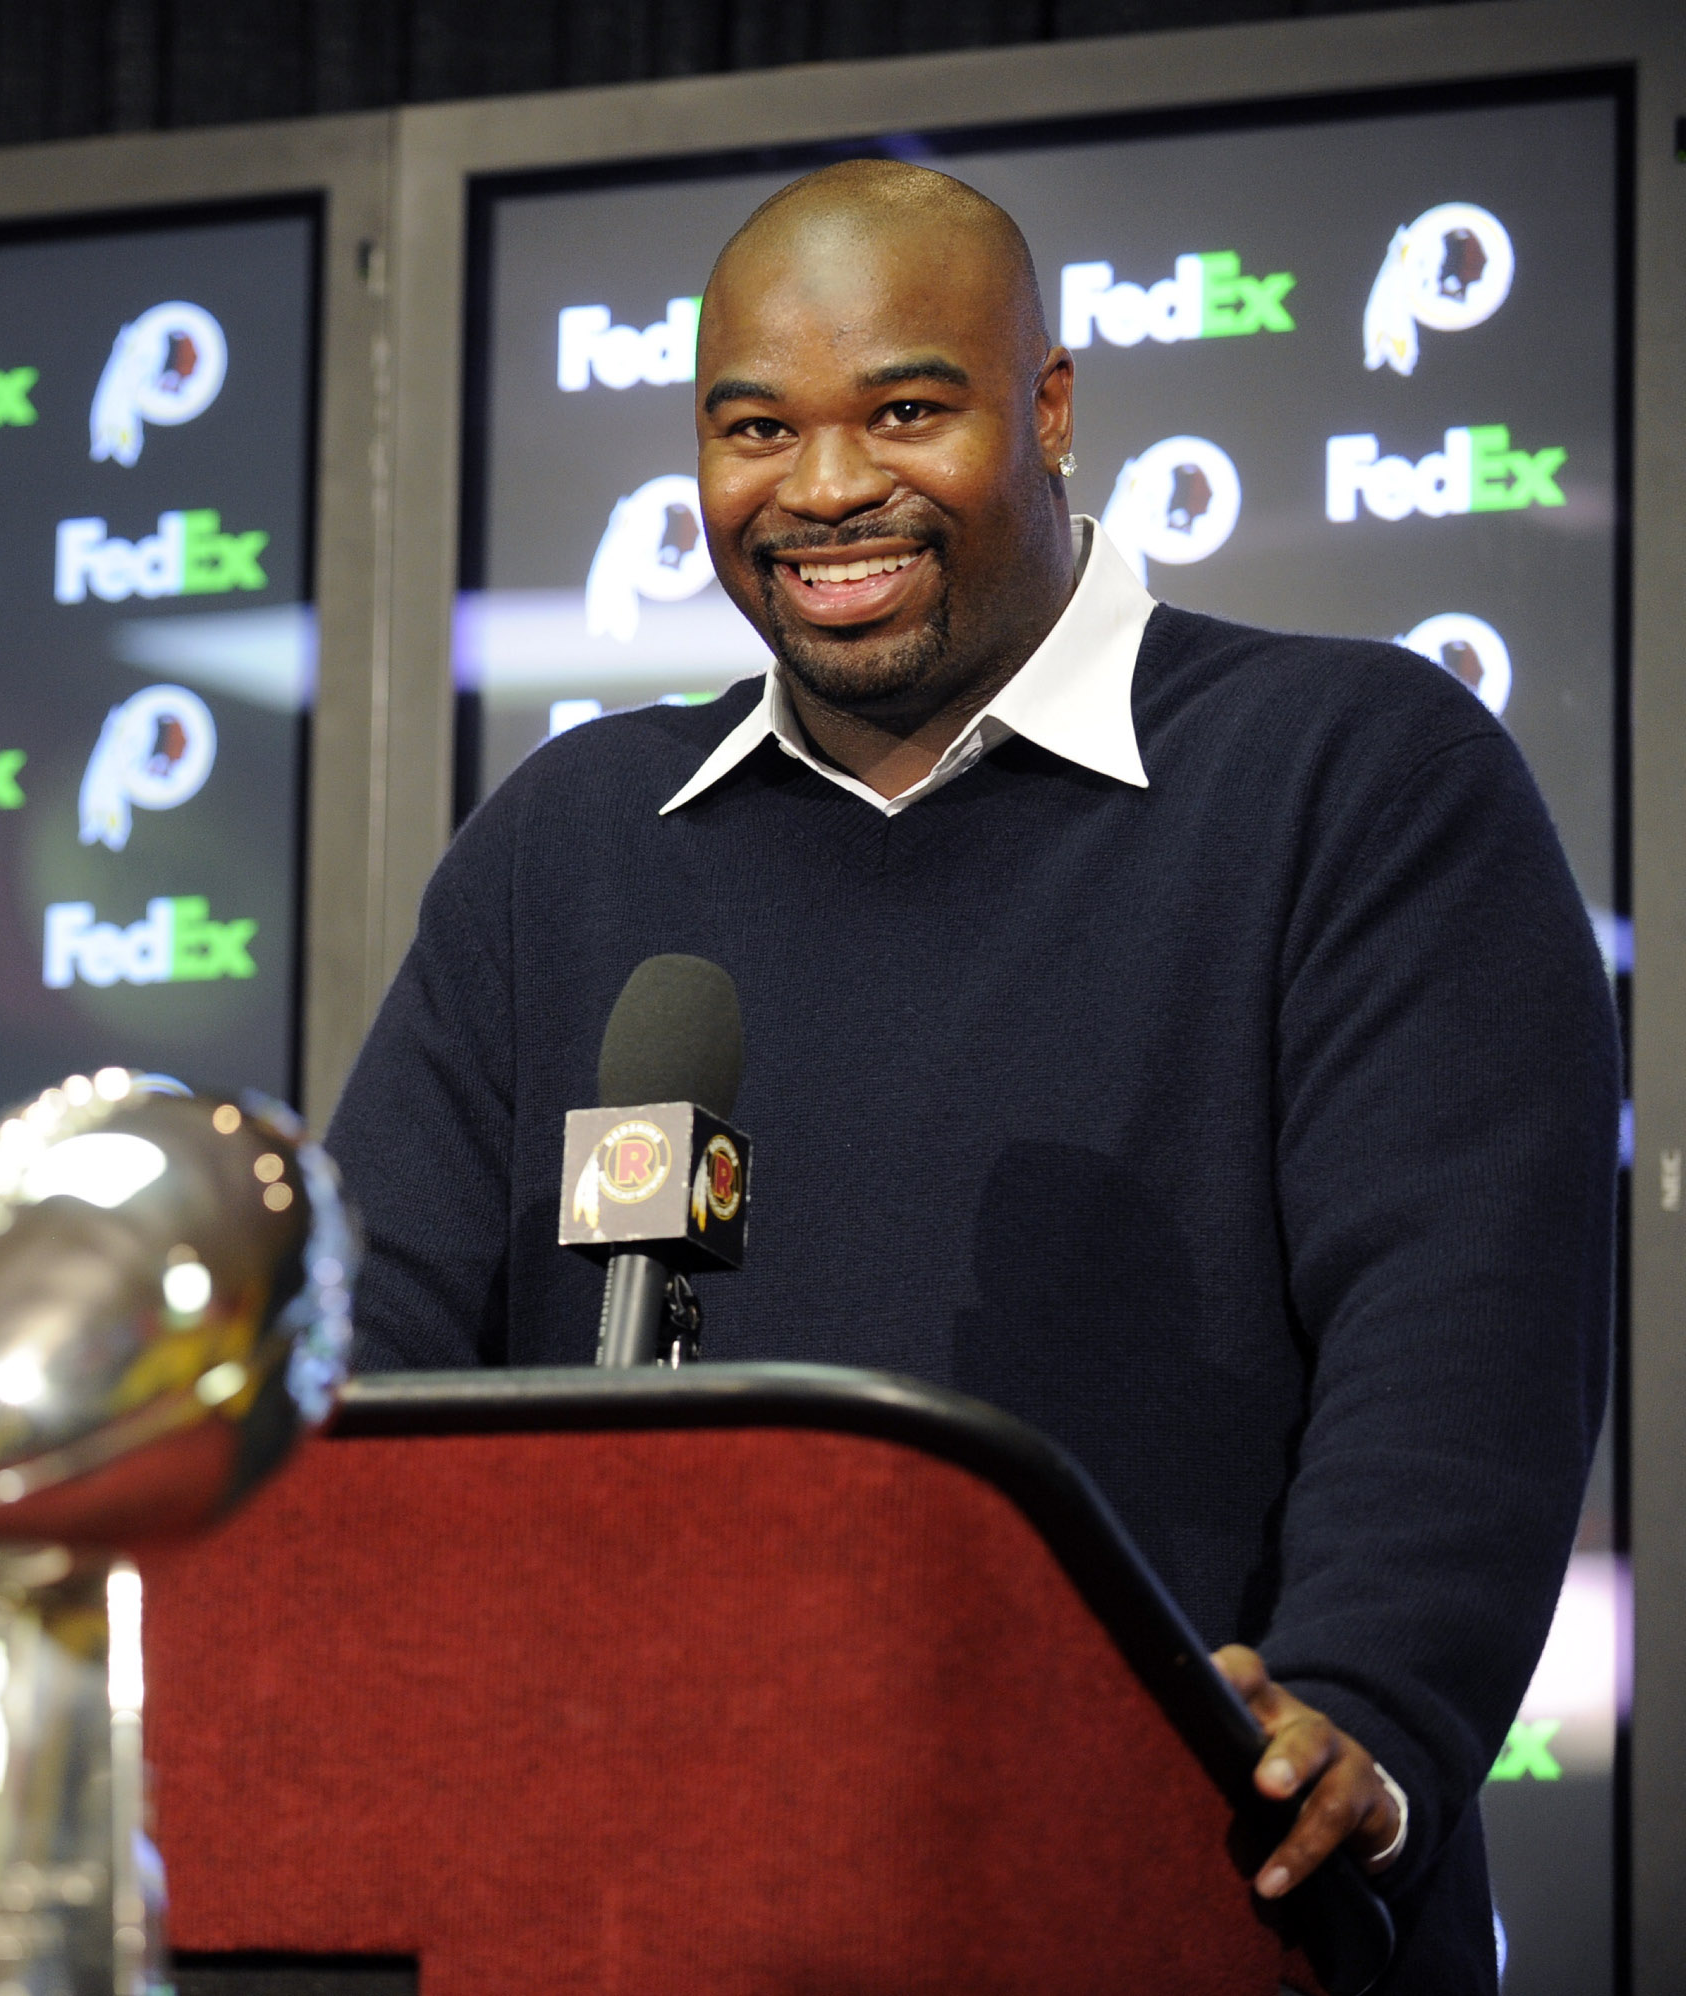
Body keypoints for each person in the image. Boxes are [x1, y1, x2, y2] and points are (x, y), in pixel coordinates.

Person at [325, 159, 1614, 1992]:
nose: (827, 489)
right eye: (755, 427)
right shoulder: (572, 841)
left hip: (1179, 1904)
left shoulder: (1356, 776)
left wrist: (1365, 1702)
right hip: (620, 1911)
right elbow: (364, 1349)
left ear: (1053, 411)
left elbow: (1463, 1316)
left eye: (907, 411)